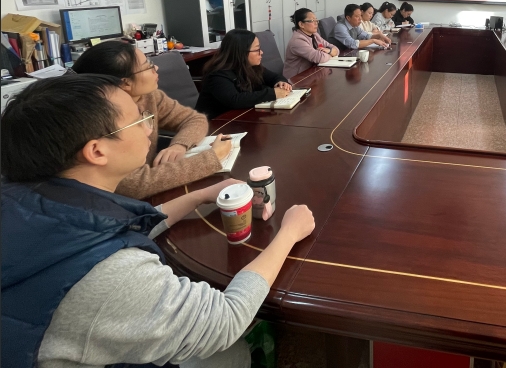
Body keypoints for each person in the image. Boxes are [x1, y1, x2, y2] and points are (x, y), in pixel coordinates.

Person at [1, 75, 315, 368]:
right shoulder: (110, 275)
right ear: (96, 151)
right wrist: (289, 233)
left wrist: (197, 196)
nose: (149, 129)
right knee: (231, 352)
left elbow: (108, 232)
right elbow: (225, 320)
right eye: (139, 121)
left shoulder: (26, 198)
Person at [71, 41, 229, 199]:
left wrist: (180, 144)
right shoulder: (95, 120)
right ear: (125, 83)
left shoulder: (147, 96)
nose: (156, 68)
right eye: (148, 66)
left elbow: (194, 119)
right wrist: (211, 158)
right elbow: (131, 185)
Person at [196, 29, 293, 119]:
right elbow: (235, 100)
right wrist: (273, 93)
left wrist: (280, 82)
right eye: (257, 49)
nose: (261, 52)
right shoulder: (217, 75)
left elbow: (274, 77)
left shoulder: (252, 67)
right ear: (241, 52)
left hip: (239, 119)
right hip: (214, 125)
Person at [283, 8, 339, 79]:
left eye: (316, 20)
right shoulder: (297, 41)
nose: (316, 23)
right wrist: (331, 53)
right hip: (296, 79)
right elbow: (320, 58)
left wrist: (329, 51)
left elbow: (336, 49)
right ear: (301, 24)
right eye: (312, 21)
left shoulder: (315, 35)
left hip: (311, 73)